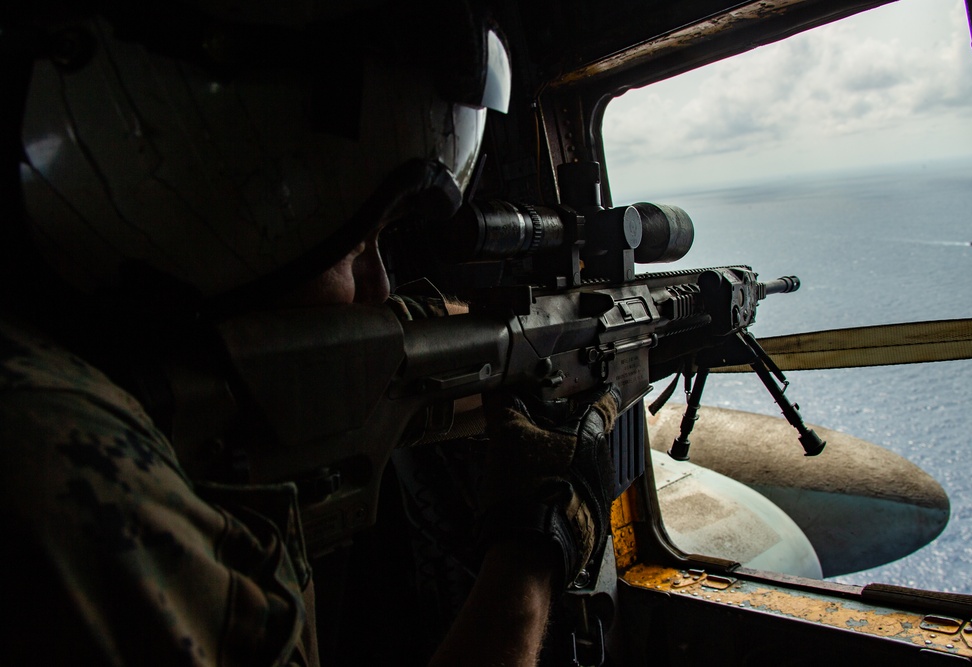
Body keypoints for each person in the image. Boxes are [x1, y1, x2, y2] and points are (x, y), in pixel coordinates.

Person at [0, 1, 620, 665]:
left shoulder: (74, 362)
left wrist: (529, 348)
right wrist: (532, 548)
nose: (380, 287)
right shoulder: (68, 471)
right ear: (212, 210)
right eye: (356, 243)